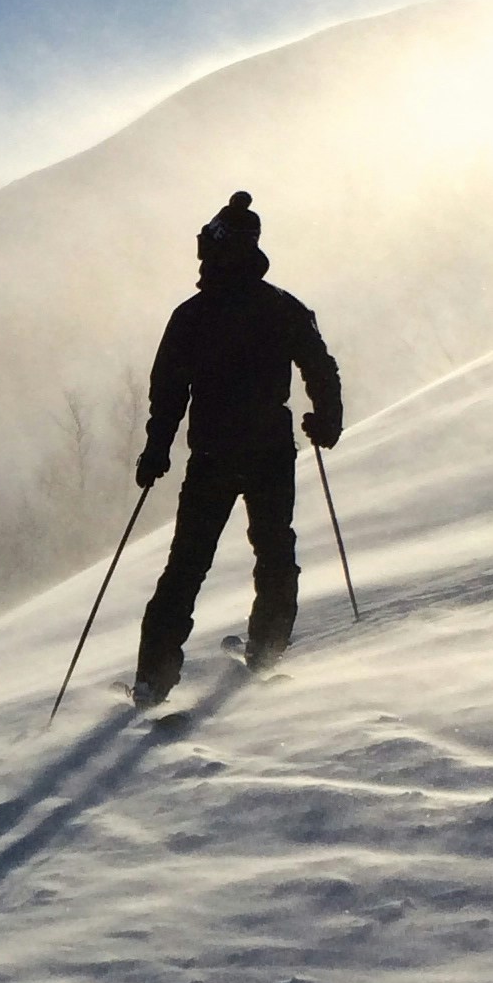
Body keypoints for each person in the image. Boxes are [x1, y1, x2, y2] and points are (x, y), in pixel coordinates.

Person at [131, 191, 342, 705]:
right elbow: (319, 365)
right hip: (271, 452)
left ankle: (153, 678)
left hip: (212, 458)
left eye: (205, 251)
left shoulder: (191, 316)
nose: (201, 261)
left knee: (186, 563)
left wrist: (157, 450)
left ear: (217, 252)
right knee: (274, 551)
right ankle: (266, 650)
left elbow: (168, 390)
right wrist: (326, 420)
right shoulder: (282, 306)